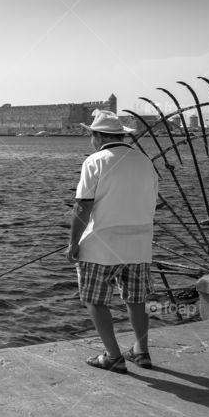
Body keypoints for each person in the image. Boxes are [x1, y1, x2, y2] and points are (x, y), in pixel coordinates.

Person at [67, 110, 159, 373]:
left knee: (95, 300)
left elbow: (82, 207)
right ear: (120, 135)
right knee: (136, 299)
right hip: (140, 243)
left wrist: (73, 243)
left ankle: (113, 356)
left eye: (91, 136)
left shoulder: (95, 161)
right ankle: (141, 352)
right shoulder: (144, 161)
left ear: (97, 136)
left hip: (101, 245)